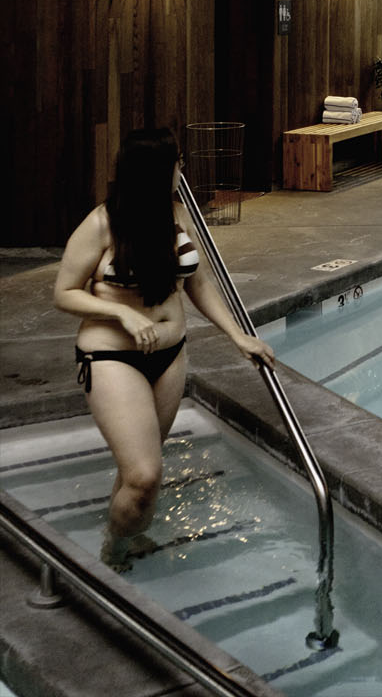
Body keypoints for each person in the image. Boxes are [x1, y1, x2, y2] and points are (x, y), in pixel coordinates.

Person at [53, 126, 274, 566]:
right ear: (158, 170)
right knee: (145, 476)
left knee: (137, 468)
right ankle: (111, 555)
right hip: (113, 356)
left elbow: (201, 283)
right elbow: (64, 292)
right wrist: (122, 314)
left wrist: (237, 335)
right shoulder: (101, 223)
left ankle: (124, 533)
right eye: (178, 161)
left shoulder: (179, 214)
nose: (183, 169)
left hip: (170, 356)